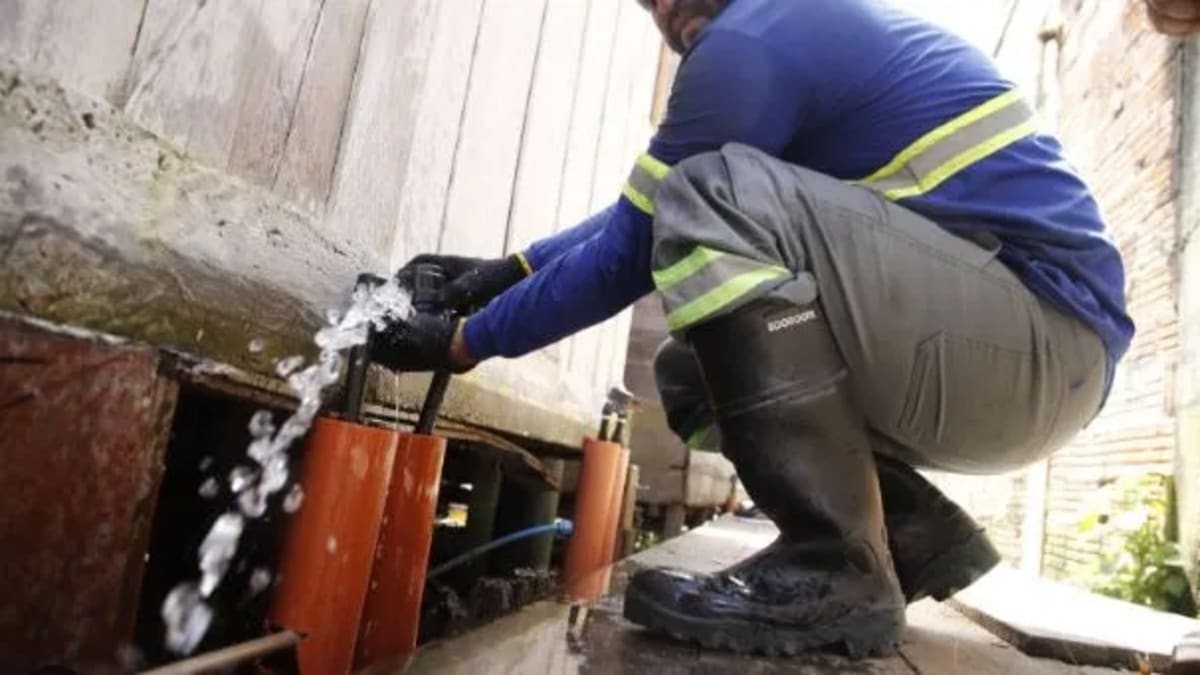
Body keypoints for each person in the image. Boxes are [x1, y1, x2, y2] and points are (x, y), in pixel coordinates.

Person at [377, 0, 1132, 658]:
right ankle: (903, 535)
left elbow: (636, 244)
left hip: (1039, 343)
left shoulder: (758, 35)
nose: (665, 15)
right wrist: (506, 271)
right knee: (694, 367)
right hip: (1007, 358)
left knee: (716, 195)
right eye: (647, 4)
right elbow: (635, 216)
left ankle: (835, 565)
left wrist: (460, 342)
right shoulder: (780, 32)